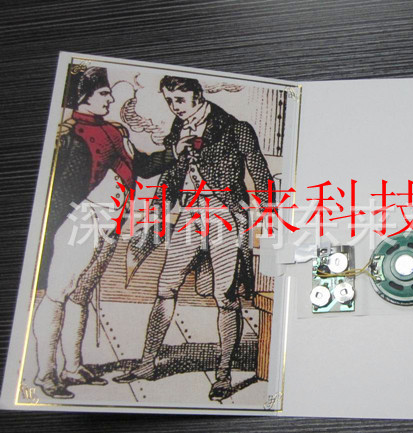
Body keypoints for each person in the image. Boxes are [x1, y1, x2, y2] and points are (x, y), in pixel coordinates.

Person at [113, 76, 274, 401]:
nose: (175, 107)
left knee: (225, 296)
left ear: (198, 96)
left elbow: (261, 174)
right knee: (165, 287)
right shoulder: (180, 127)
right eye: (169, 101)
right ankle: (147, 364)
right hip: (189, 214)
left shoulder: (235, 128)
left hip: (224, 214)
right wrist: (158, 210)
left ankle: (223, 375)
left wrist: (270, 218)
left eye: (180, 100)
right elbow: (173, 174)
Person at [32, 66, 176, 399]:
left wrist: (174, 153)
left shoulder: (114, 130)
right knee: (57, 295)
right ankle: (45, 373)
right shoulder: (68, 136)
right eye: (103, 93)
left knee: (80, 296)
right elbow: (57, 192)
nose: (110, 99)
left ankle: (73, 367)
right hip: (78, 221)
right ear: (83, 96)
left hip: (110, 223)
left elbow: (139, 166)